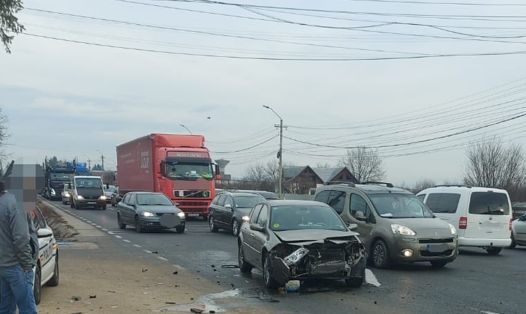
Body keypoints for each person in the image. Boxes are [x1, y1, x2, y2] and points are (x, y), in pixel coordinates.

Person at [0, 181, 38, 314]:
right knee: (27, 309)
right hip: (17, 267)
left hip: (2, 266)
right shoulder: (15, 204)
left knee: (5, 309)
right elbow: (21, 238)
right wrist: (27, 265)